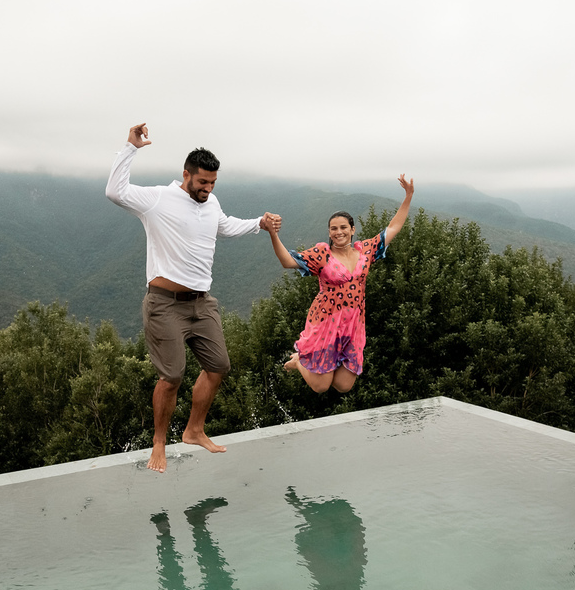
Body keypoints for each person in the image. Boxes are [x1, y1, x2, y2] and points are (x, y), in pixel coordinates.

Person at [106, 123, 280, 472]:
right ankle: (159, 442)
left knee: (219, 366)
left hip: (202, 303)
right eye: (202, 182)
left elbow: (225, 226)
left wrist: (258, 223)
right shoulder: (157, 198)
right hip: (164, 304)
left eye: (213, 183)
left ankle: (193, 430)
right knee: (172, 376)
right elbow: (114, 191)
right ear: (186, 175)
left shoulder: (211, 202)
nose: (208, 189)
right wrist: (131, 147)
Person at [267, 175, 414, 393]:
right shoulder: (322, 254)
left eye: (343, 227)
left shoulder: (365, 250)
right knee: (321, 387)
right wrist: (273, 234)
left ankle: (310, 362)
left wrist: (408, 196)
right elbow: (287, 262)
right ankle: (299, 361)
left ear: (352, 229)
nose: (339, 232)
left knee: (344, 386)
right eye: (333, 229)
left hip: (353, 324)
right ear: (329, 233)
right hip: (326, 322)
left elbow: (393, 227)